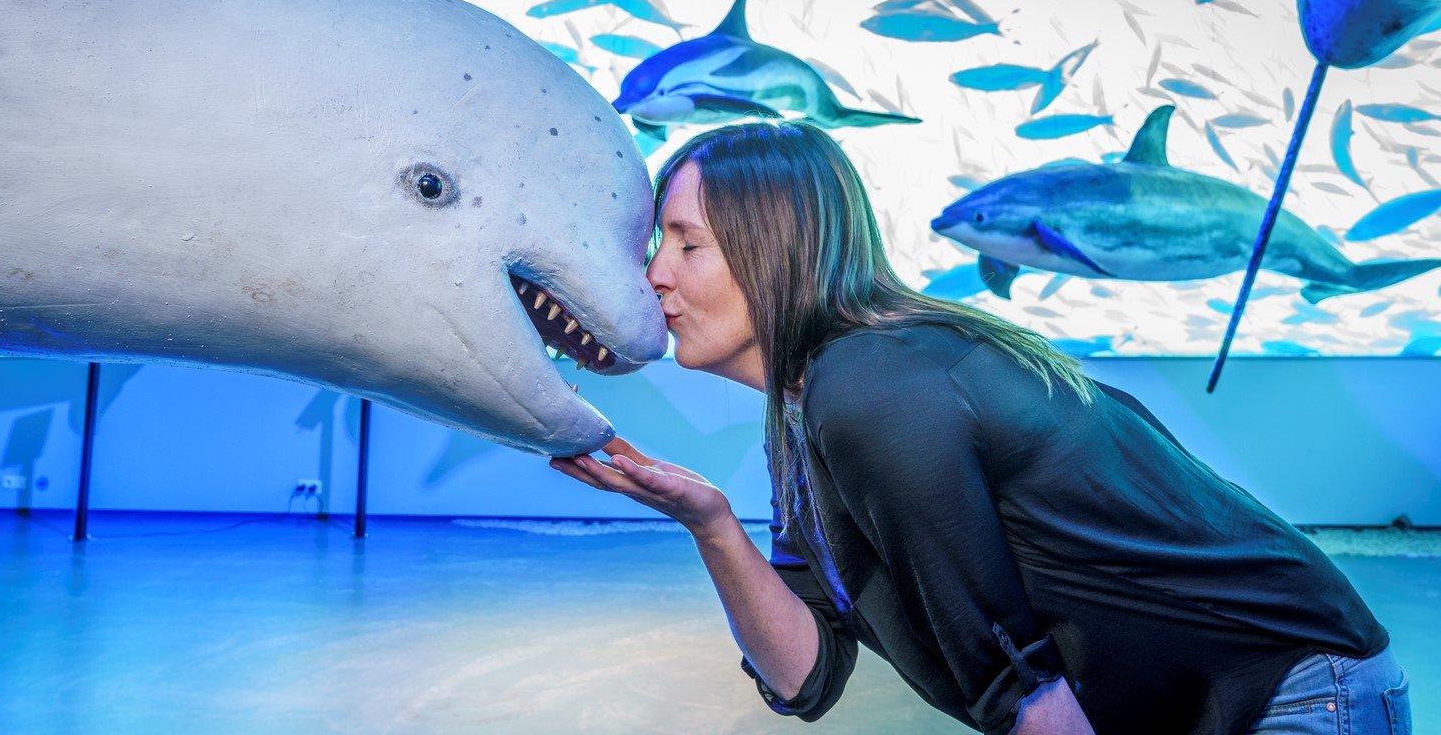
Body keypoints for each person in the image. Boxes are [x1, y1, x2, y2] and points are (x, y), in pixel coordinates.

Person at [547, 121, 1411, 735]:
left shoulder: (873, 384)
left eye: (684, 243)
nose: (653, 272)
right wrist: (710, 523)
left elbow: (1027, 695)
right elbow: (804, 675)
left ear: (776, 249)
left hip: (1295, 691)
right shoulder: (808, 413)